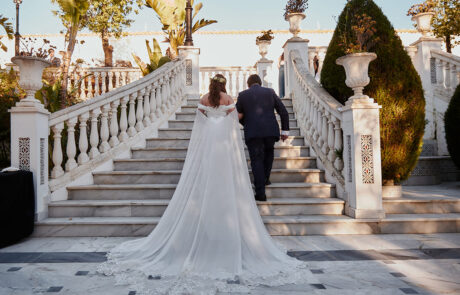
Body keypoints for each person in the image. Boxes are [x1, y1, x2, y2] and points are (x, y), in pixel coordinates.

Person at [97, 74, 307, 294]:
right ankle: (259, 189)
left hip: (208, 148)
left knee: (216, 174)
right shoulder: (229, 99)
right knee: (248, 168)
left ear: (210, 85)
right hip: (225, 150)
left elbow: (201, 123)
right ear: (224, 85)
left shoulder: (205, 99)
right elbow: (234, 122)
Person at [236, 74, 290, 201]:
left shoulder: (243, 95)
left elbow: (237, 115)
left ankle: (260, 192)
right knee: (269, 154)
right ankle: (265, 179)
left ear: (248, 85)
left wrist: (247, 123)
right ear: (260, 83)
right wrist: (285, 131)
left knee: (256, 160)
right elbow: (283, 111)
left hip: (253, 133)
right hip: (270, 131)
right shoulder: (270, 92)